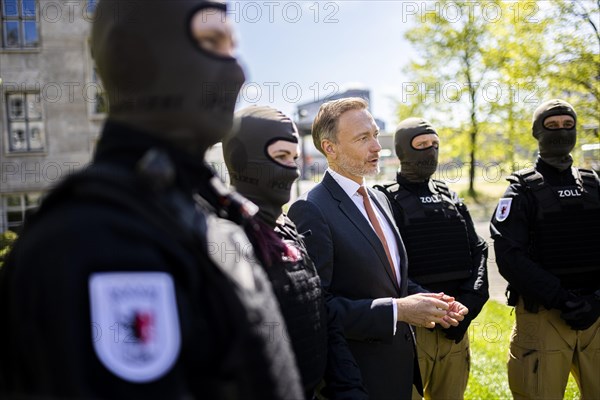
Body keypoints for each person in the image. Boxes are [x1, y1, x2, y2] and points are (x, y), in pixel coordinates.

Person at [0, 2, 303, 399]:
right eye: (211, 41)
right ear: (135, 56)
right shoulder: (90, 239)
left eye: (233, 46)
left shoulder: (203, 211)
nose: (238, 71)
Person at [288, 97, 468, 400]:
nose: (377, 147)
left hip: (402, 371)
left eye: (374, 134)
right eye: (363, 138)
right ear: (329, 148)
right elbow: (317, 308)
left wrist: (430, 300)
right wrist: (398, 311)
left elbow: (391, 277)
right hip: (357, 378)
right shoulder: (310, 209)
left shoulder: (380, 199)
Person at [222, 105, 368, 400]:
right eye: (279, 157)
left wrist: (349, 388)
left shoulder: (288, 227)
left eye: (294, 158)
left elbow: (320, 313)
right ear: (242, 159)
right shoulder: (223, 236)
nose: (291, 168)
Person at [490, 99, 600, 399]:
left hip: (596, 315)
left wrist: (596, 300)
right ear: (537, 132)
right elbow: (510, 257)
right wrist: (562, 299)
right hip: (544, 318)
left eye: (568, 125)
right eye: (551, 126)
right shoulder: (520, 190)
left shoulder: (594, 184)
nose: (561, 132)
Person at [374, 117, 489, 400]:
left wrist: (469, 304)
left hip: (456, 326)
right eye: (421, 144)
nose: (430, 151)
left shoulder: (450, 196)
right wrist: (436, 307)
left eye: (435, 145)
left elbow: (479, 250)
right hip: (412, 329)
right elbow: (388, 264)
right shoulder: (384, 200)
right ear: (403, 150)